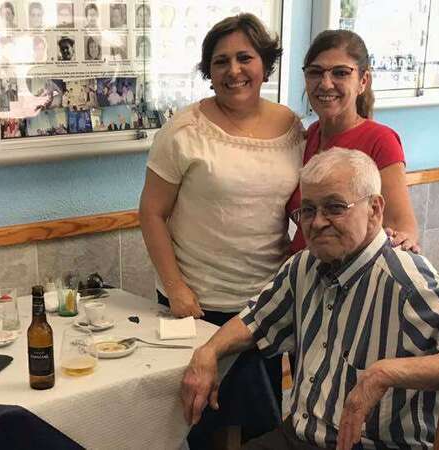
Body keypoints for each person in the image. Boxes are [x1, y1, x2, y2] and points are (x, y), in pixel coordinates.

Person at [181, 148, 439, 450]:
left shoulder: (405, 280)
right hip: (300, 437)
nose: (317, 223)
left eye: (335, 207)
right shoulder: (304, 265)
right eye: (308, 210)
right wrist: (208, 351)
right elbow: (255, 318)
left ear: (375, 209)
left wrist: (387, 372)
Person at [139, 13, 304, 449]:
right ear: (208, 73)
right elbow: (151, 213)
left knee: (256, 430)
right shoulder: (184, 129)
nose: (233, 71)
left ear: (265, 65)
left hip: (264, 310)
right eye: (220, 61)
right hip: (197, 305)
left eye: (245, 58)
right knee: (203, 429)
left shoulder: (293, 128)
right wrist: (175, 288)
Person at [288, 30, 420, 254]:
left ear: (363, 81)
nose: (326, 83)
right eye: (315, 72)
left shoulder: (380, 141)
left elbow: (402, 231)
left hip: (344, 283)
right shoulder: (310, 136)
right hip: (303, 277)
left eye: (340, 73)